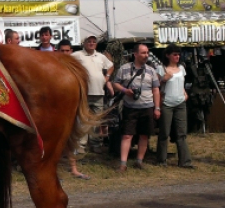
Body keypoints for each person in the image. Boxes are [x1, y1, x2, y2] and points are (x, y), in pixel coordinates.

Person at [112, 43, 161, 172]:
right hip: (130, 107)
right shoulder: (124, 68)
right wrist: (124, 90)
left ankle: (139, 161)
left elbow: (156, 90)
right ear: (135, 54)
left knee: (144, 135)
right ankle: (123, 164)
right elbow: (115, 83)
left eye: (147, 53)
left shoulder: (151, 70)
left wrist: (157, 108)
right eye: (143, 53)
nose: (146, 55)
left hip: (147, 106)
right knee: (127, 135)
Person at [72, 35, 114, 154]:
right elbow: (65, 62)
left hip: (99, 93)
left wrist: (107, 77)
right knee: (83, 120)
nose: (91, 43)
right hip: (84, 94)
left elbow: (111, 66)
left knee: (96, 121)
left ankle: (96, 144)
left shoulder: (100, 56)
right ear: (84, 43)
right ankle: (81, 145)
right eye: (89, 41)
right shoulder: (77, 55)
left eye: (94, 42)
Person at [155, 44, 194, 168]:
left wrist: (184, 94)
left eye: (178, 54)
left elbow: (181, 83)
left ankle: (185, 161)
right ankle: (161, 160)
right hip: (166, 103)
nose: (177, 56)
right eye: (174, 54)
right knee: (164, 132)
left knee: (181, 133)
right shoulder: (161, 69)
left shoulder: (181, 68)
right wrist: (163, 80)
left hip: (180, 103)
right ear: (168, 55)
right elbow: (156, 87)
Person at [56, 41, 89, 179]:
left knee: (71, 138)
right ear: (58, 51)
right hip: (56, 109)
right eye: (62, 51)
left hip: (72, 107)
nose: (65, 53)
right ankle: (53, 170)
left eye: (67, 51)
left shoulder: (76, 68)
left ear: (71, 51)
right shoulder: (53, 67)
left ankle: (74, 169)